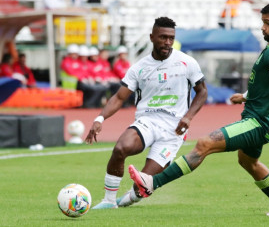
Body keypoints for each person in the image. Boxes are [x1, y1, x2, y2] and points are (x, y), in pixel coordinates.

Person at [128, 2, 269, 216]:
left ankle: (152, 183)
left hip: (259, 122)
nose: (263, 28)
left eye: (267, 23)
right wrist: (247, 96)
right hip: (261, 117)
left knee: (205, 144)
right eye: (262, 22)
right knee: (248, 161)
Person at [85, 17, 208, 209]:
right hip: (147, 121)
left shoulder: (187, 63)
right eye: (163, 37)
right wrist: (100, 118)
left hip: (173, 130)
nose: (168, 42)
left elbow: (202, 91)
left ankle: (130, 198)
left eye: (171, 38)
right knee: (120, 148)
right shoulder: (139, 68)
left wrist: (188, 116)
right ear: (152, 37)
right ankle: (109, 201)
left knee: (142, 185)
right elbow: (118, 97)